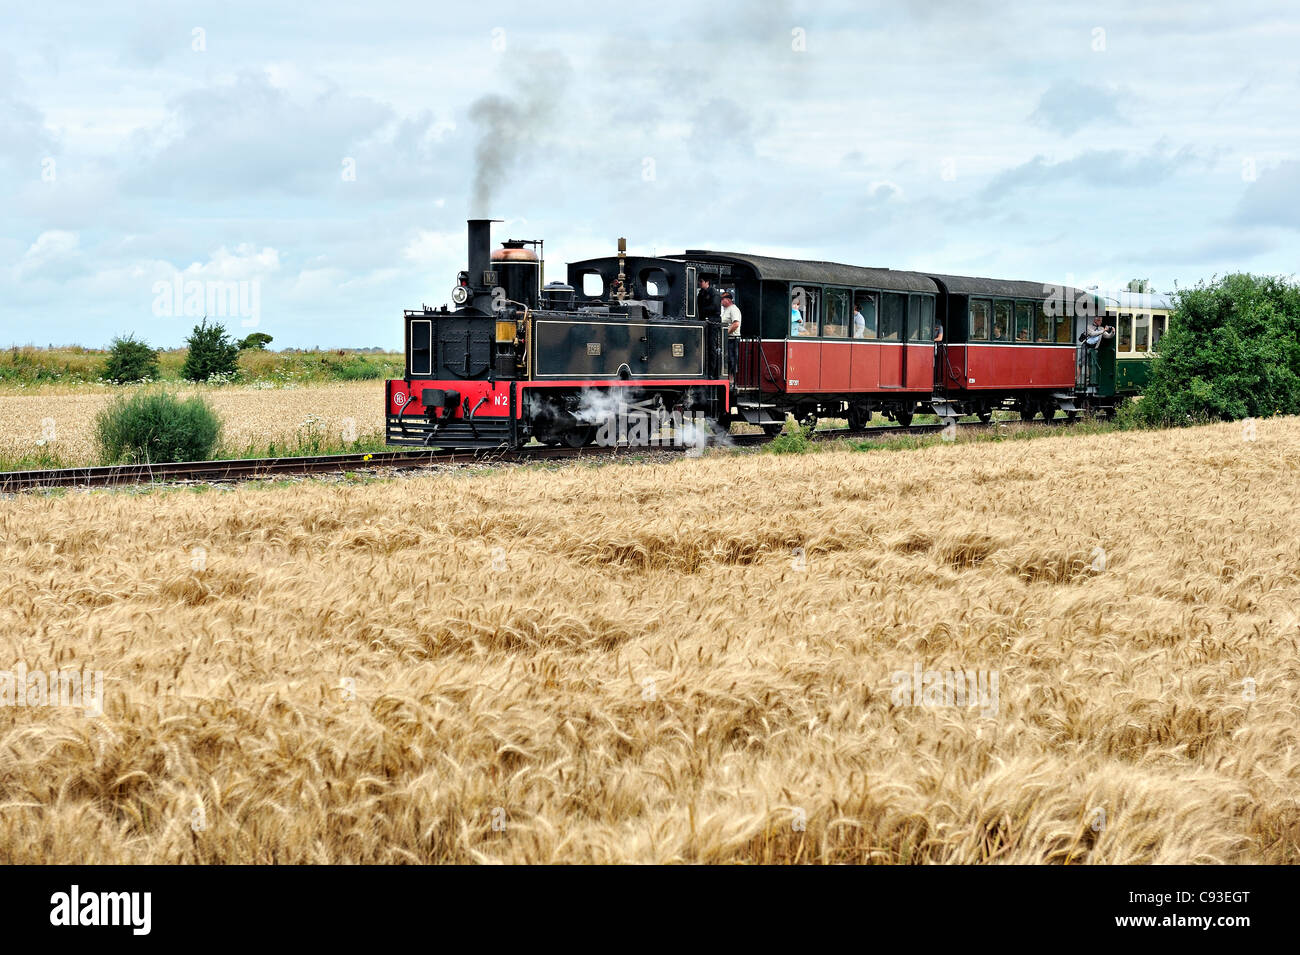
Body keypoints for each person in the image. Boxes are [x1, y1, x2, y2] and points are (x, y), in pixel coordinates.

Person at [1082, 314, 1115, 385]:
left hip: (1094, 349)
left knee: (1092, 365)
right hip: (1085, 347)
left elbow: (1108, 336)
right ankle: (1080, 380)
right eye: (1100, 321)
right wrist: (1103, 331)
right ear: (1095, 320)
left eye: (1101, 321)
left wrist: (1112, 332)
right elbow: (1092, 334)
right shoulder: (1089, 326)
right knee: (1082, 364)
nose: (1101, 322)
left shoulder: (1101, 329)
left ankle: (1091, 381)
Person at [720, 292, 742, 383]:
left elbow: (736, 324)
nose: (721, 301)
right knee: (727, 360)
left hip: (732, 339)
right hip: (728, 339)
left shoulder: (733, 309)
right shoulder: (726, 310)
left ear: (728, 300)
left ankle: (732, 381)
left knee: (731, 360)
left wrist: (724, 334)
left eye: (722, 299)